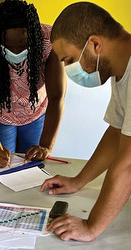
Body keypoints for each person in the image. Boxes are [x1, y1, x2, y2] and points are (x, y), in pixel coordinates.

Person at [41, 2, 131, 242]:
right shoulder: (121, 71)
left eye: (69, 59)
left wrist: (91, 227)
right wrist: (78, 181)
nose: (68, 69)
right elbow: (118, 131)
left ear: (94, 44)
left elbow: (127, 165)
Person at [0, 0, 65, 167]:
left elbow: (56, 98)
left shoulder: (49, 41)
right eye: (8, 47)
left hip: (36, 115)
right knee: (3, 166)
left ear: (33, 37)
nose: (16, 52)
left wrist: (46, 146)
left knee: (32, 165)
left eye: (22, 46)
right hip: (1, 118)